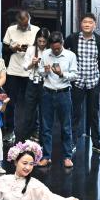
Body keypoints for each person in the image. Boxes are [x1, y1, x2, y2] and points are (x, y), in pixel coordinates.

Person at [65, 12, 100, 154]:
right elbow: (64, 51)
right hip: (77, 81)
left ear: (94, 25)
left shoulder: (99, 40)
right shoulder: (73, 38)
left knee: (93, 113)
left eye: (90, 22)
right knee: (75, 113)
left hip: (93, 80)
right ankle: (72, 141)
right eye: (85, 22)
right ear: (81, 24)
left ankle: (96, 142)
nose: (87, 24)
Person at [38, 32, 78, 168]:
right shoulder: (45, 54)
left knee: (66, 127)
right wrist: (45, 71)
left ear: (62, 43)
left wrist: (61, 74)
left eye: (58, 48)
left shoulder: (70, 55)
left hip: (64, 93)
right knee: (46, 127)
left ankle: (67, 156)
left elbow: (75, 75)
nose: (55, 51)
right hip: (47, 92)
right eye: (53, 48)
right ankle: (46, 156)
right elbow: (40, 72)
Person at [3, 10, 39, 137]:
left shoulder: (36, 30)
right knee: (10, 102)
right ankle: (10, 129)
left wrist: (30, 49)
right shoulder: (11, 29)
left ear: (29, 19)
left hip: (30, 71)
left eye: (26, 24)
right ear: (17, 21)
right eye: (21, 25)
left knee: (31, 102)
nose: (24, 27)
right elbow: (4, 49)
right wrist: (13, 48)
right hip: (13, 70)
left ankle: (33, 129)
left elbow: (42, 48)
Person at [17, 27, 49, 143]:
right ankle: (25, 139)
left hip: (46, 84)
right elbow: (25, 67)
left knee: (44, 112)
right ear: (36, 40)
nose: (42, 44)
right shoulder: (31, 49)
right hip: (32, 82)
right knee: (29, 111)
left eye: (44, 41)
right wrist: (32, 63)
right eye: (39, 41)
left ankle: (42, 139)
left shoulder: (50, 51)